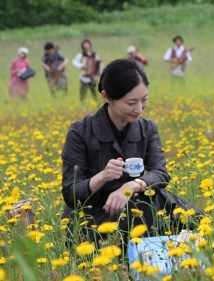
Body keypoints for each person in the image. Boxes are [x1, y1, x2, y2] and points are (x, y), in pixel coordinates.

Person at [61, 59, 201, 245]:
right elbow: (71, 193)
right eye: (131, 103)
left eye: (144, 100)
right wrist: (102, 177)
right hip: (96, 216)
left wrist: (130, 186)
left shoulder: (147, 128)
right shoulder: (81, 132)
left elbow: (160, 173)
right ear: (106, 97)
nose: (139, 109)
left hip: (136, 205)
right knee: (140, 216)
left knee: (184, 214)